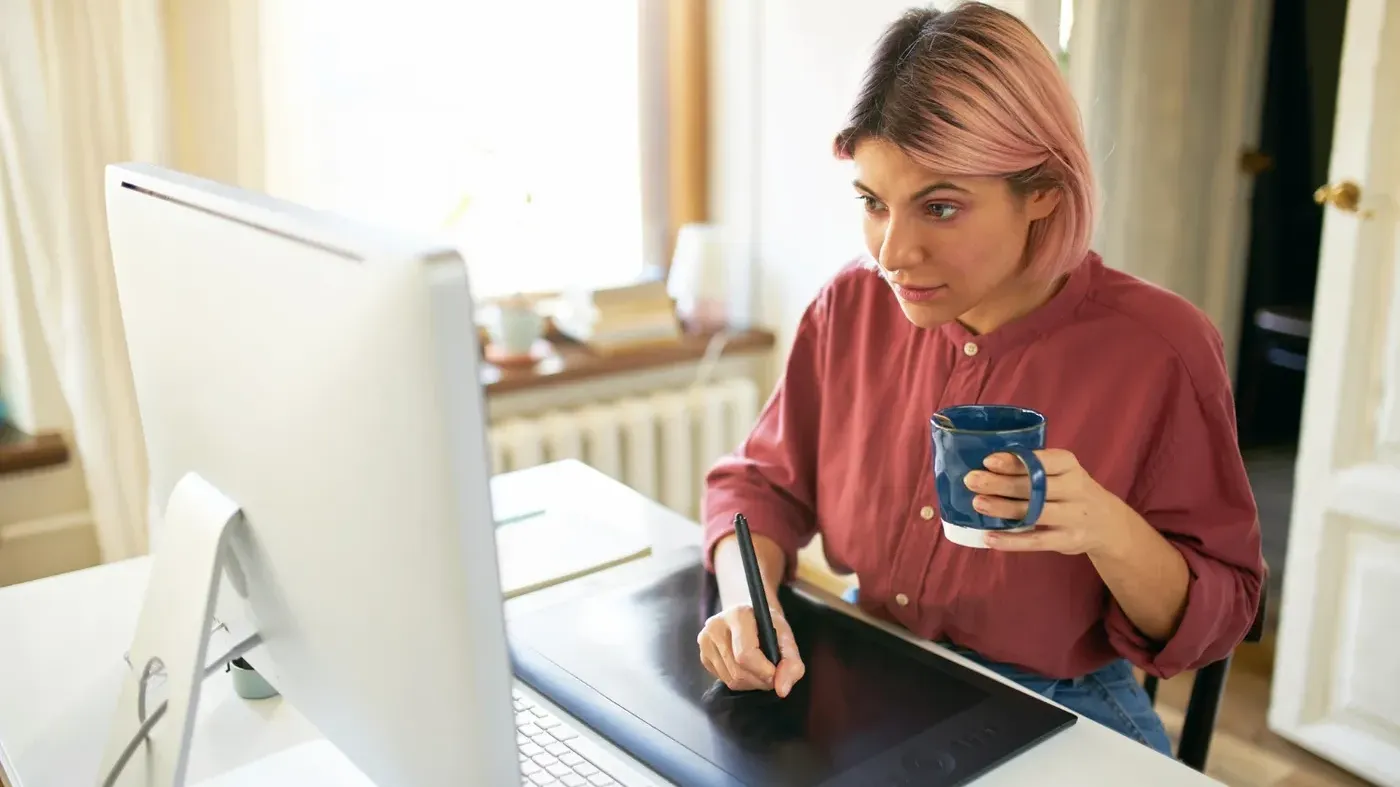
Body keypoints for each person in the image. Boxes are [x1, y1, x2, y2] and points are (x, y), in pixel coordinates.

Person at [696, 0, 1264, 757]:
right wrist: (746, 601)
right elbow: (758, 487)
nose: (893, 251)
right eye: (873, 203)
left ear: (1043, 193)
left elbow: (1222, 610)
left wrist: (1105, 525)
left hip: (1060, 705)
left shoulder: (1162, 350)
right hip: (880, 663)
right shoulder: (851, 303)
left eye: (940, 206)